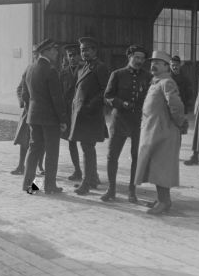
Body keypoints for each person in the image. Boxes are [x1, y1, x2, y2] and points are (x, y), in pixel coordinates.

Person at [134, 50, 187, 214]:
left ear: (166, 66)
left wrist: (179, 124)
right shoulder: (156, 82)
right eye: (152, 62)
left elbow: (176, 106)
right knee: (156, 167)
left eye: (158, 63)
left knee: (161, 168)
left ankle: (164, 202)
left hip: (164, 133)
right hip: (154, 132)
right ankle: (162, 199)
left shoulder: (167, 82)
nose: (153, 65)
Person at [101, 45, 151, 203]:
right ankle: (111, 189)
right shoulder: (117, 74)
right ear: (129, 57)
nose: (139, 61)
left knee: (137, 157)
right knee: (112, 156)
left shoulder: (147, 76)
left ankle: (132, 190)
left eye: (142, 58)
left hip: (139, 122)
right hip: (120, 120)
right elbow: (108, 96)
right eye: (136, 57)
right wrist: (121, 103)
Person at [21, 39, 68, 194]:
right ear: (46, 51)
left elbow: (25, 95)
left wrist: (31, 112)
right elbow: (57, 98)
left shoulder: (30, 68)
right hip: (50, 119)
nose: (56, 53)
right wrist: (62, 119)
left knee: (34, 150)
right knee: (51, 152)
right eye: (53, 50)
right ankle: (49, 186)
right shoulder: (50, 70)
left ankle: (30, 186)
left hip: (34, 117)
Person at [69, 36, 109, 195]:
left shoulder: (100, 67)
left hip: (91, 115)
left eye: (87, 49)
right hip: (81, 115)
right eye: (82, 50)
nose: (83, 52)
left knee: (87, 148)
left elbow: (105, 90)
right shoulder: (84, 67)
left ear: (94, 50)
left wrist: (90, 105)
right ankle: (91, 179)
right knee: (86, 147)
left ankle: (86, 182)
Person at [10, 50, 45, 176]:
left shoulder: (47, 70)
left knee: (40, 140)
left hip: (40, 111)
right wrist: (22, 102)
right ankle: (21, 165)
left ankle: (40, 166)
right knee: (24, 139)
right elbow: (20, 88)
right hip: (27, 110)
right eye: (34, 55)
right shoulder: (28, 70)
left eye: (38, 55)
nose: (36, 57)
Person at [59, 43, 83, 181]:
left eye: (75, 54)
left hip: (81, 111)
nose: (73, 58)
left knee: (87, 144)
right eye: (70, 55)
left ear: (79, 55)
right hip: (68, 113)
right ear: (67, 57)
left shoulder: (85, 70)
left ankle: (93, 174)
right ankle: (78, 170)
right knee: (71, 142)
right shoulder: (63, 73)